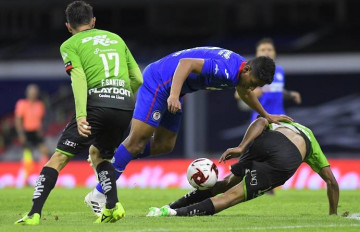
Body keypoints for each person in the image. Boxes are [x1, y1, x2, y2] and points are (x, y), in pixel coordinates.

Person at [85, 46, 293, 215]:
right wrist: (174, 95)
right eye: (253, 83)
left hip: (173, 89)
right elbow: (187, 63)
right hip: (158, 84)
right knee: (137, 141)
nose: (251, 88)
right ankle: (99, 193)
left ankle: (109, 155)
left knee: (164, 145)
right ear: (247, 70)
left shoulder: (239, 72)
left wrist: (266, 115)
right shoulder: (227, 70)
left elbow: (244, 92)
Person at [15, 1, 142, 225]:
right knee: (99, 154)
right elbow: (138, 79)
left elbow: (79, 78)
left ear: (68, 26)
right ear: (93, 21)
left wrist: (82, 115)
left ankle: (34, 213)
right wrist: (121, 96)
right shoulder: (116, 38)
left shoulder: (69, 44)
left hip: (95, 106)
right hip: (124, 105)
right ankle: (112, 206)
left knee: (59, 158)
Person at [147, 117, 339, 217]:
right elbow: (331, 181)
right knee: (230, 198)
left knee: (226, 183)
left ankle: (169, 206)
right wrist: (333, 213)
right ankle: (172, 213)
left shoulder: (282, 122)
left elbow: (261, 121)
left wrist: (241, 147)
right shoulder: (311, 140)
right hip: (285, 159)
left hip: (267, 141)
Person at [235, 38, 302, 122]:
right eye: (263, 50)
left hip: (280, 116)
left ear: (275, 52)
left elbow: (277, 90)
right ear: (257, 53)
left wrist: (291, 94)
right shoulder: (251, 71)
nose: (266, 52)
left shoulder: (280, 70)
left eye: (270, 50)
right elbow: (237, 94)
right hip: (261, 119)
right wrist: (252, 92)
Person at [15, 84, 49, 172]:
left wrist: (41, 129)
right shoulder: (22, 103)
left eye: (35, 93)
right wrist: (21, 133)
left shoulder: (40, 104)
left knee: (45, 151)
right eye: (32, 93)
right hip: (27, 131)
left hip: (36, 132)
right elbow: (18, 120)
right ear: (27, 93)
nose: (33, 94)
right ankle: (27, 173)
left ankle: (43, 171)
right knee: (28, 154)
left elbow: (41, 119)